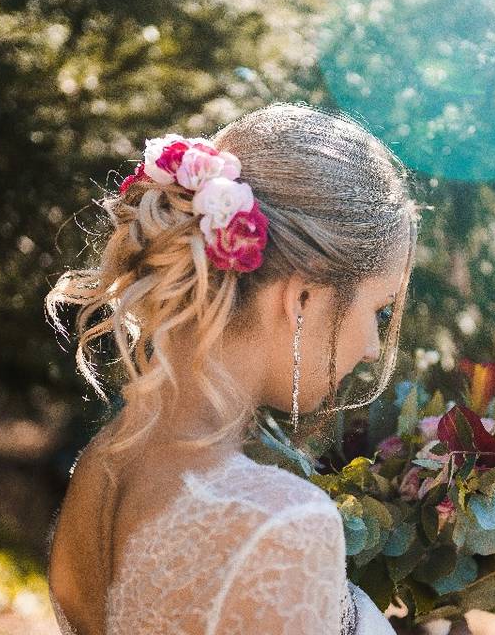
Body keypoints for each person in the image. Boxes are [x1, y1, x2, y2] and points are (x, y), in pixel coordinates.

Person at [43, 101, 425, 634]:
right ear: (304, 297)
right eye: (378, 310)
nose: (372, 348)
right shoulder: (281, 524)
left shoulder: (99, 467)